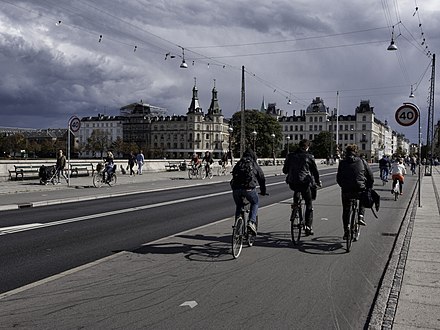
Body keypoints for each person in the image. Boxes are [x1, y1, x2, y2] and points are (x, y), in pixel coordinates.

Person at [283, 139, 321, 236]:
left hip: (292, 182)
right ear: (307, 147)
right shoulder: (309, 156)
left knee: (296, 190)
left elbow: (285, 170)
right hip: (304, 183)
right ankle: (308, 226)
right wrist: (317, 181)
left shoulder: (290, 156)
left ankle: (295, 208)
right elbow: (315, 172)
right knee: (309, 204)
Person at [336, 144, 374, 239]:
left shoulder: (342, 162)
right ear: (356, 152)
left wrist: (343, 186)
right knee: (362, 198)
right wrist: (368, 188)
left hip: (346, 190)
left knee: (346, 210)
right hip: (359, 188)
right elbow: (370, 176)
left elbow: (338, 178)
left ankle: (346, 230)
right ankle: (361, 216)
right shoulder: (362, 161)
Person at [230, 148, 266, 235]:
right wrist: (263, 190)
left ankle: (237, 227)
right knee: (255, 202)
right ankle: (251, 222)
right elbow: (261, 177)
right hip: (248, 188)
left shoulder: (239, 163)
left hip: (236, 189)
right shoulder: (253, 163)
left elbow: (233, 175)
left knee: (239, 205)